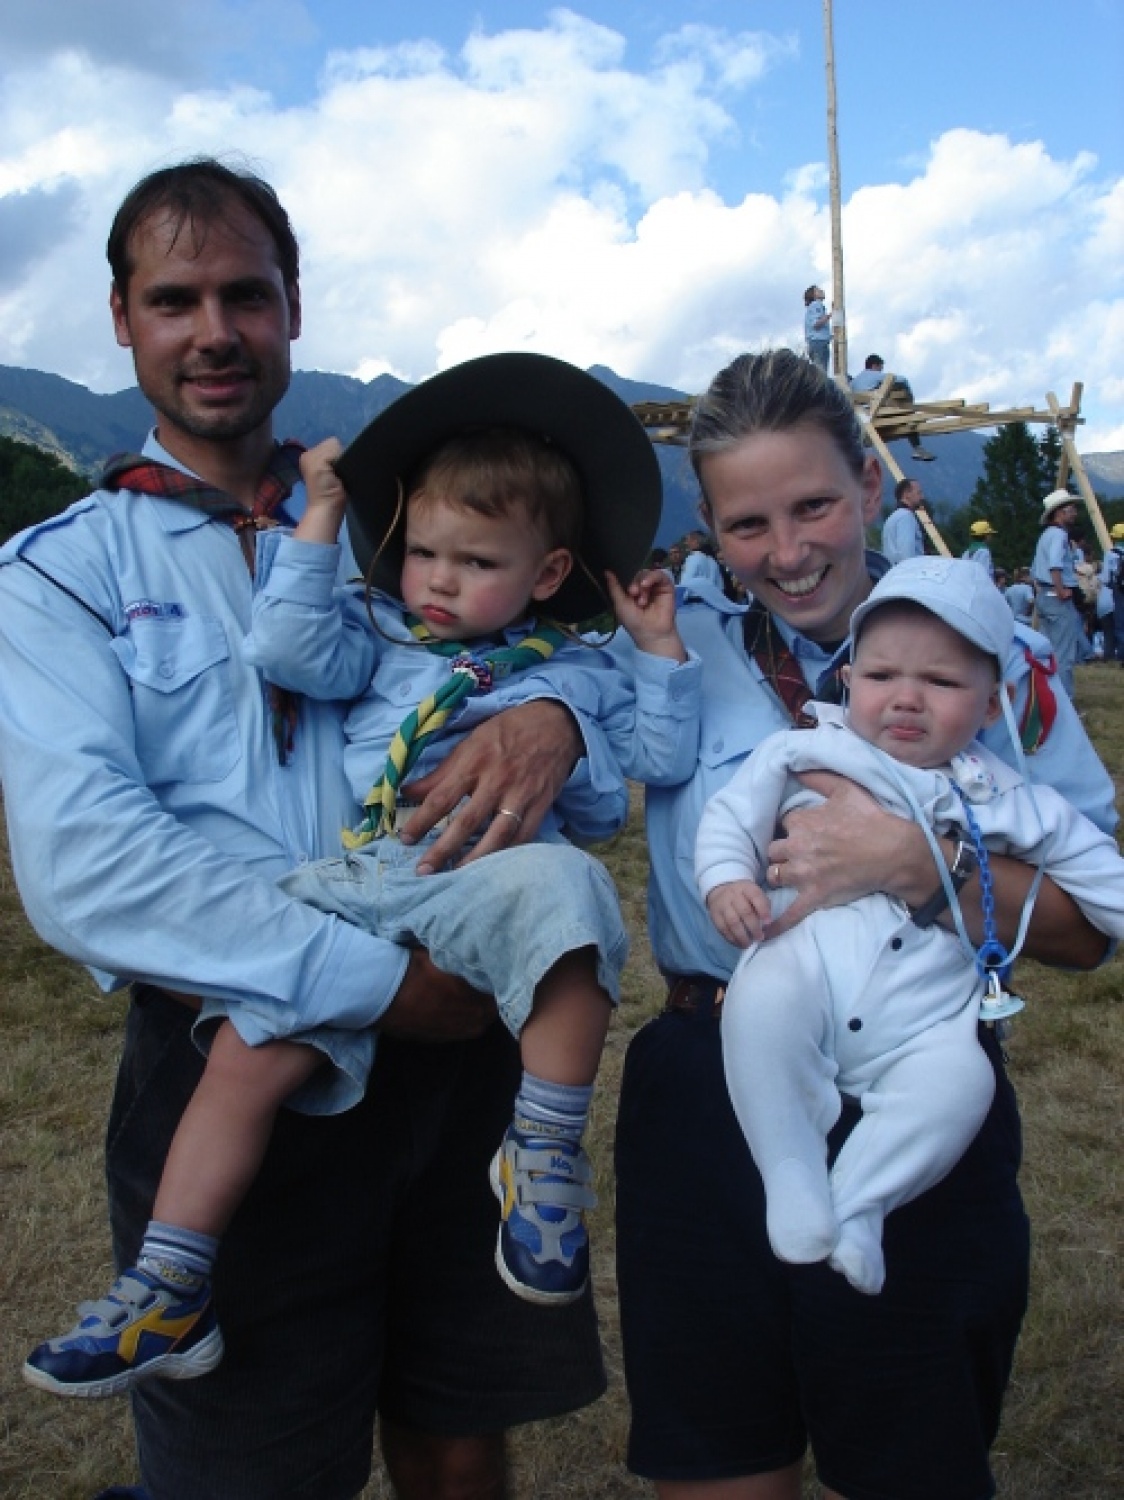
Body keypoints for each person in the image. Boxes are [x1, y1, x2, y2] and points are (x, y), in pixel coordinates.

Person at [0, 160, 615, 1500]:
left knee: (458, 1435)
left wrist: (558, 711)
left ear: (291, 308)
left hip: (459, 1063)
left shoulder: (396, 515)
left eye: (245, 294)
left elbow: (538, 631)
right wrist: (386, 986)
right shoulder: (59, 574)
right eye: (175, 299)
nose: (214, 330)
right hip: (240, 1046)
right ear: (121, 318)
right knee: (251, 1473)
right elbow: (85, 865)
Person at [23, 352, 686, 1399]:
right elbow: (287, 650)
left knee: (572, 901)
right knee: (248, 1046)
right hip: (360, 878)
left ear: (546, 572)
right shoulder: (377, 636)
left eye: (475, 561)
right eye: (420, 553)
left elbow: (640, 774)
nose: (437, 580)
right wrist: (323, 520)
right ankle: (171, 1280)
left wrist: (649, 658)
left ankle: (545, 1151)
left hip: (474, 885)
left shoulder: (572, 669)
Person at [608, 349, 1115, 1500]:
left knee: (906, 1463)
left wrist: (924, 869)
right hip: (710, 1071)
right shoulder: (665, 637)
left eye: (814, 506)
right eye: (746, 524)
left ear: (871, 486)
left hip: (912, 1067)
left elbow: (1088, 929)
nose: (786, 552)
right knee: (718, 1461)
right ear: (707, 526)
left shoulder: (999, 662)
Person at [694, 557, 1124, 1299]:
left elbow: (1099, 878)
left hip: (927, 1021)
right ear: (849, 679)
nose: (906, 698)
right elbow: (731, 816)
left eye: (943, 682)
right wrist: (726, 880)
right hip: (807, 969)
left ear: (991, 706)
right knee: (761, 1008)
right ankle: (791, 1173)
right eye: (882, 675)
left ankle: (862, 1203)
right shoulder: (806, 749)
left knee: (961, 1084)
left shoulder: (1013, 798)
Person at [1032, 488, 1084, 696]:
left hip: (1044, 595)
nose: (1075, 513)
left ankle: (1044, 695)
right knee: (1064, 654)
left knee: (1047, 651)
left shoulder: (1046, 535)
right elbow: (1055, 564)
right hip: (1057, 597)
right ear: (1060, 512)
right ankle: (1064, 702)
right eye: (1071, 509)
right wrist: (1060, 589)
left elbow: (1036, 569)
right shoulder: (1060, 535)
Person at [852, 354, 935, 461]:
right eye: (880, 368)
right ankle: (917, 448)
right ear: (874, 365)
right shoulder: (874, 375)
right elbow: (902, 379)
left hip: (861, 417)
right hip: (877, 413)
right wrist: (910, 399)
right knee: (909, 418)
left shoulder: (854, 382)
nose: (881, 371)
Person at [880, 477, 928, 564]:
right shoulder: (906, 517)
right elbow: (906, 553)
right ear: (907, 494)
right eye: (919, 493)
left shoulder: (894, 517)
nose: (922, 497)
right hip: (908, 570)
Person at [1103, 523, 1124, 665]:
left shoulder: (1111, 554)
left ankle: (1122, 655)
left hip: (1119, 591)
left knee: (1120, 625)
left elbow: (1105, 578)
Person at [803, 285, 831, 372]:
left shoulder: (814, 306)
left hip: (816, 343)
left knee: (819, 372)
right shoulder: (816, 304)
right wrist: (831, 315)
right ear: (814, 295)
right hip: (818, 343)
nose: (821, 291)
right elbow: (816, 324)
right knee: (821, 373)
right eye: (818, 290)